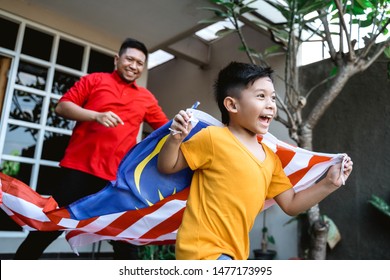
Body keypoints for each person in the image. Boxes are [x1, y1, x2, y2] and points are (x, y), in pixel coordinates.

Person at [157, 61, 353, 260]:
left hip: (235, 255)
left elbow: (291, 204)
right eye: (261, 96)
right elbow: (167, 166)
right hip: (201, 251)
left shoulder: (271, 160)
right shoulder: (213, 138)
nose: (270, 104)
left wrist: (329, 183)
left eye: (273, 98)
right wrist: (175, 138)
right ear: (232, 104)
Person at [14, 38, 169, 260]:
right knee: (46, 229)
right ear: (117, 59)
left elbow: (164, 128)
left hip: (114, 181)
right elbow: (62, 106)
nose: (134, 66)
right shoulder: (95, 80)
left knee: (124, 241)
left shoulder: (146, 98)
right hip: (78, 172)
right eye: (130, 59)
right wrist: (96, 115)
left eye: (140, 63)